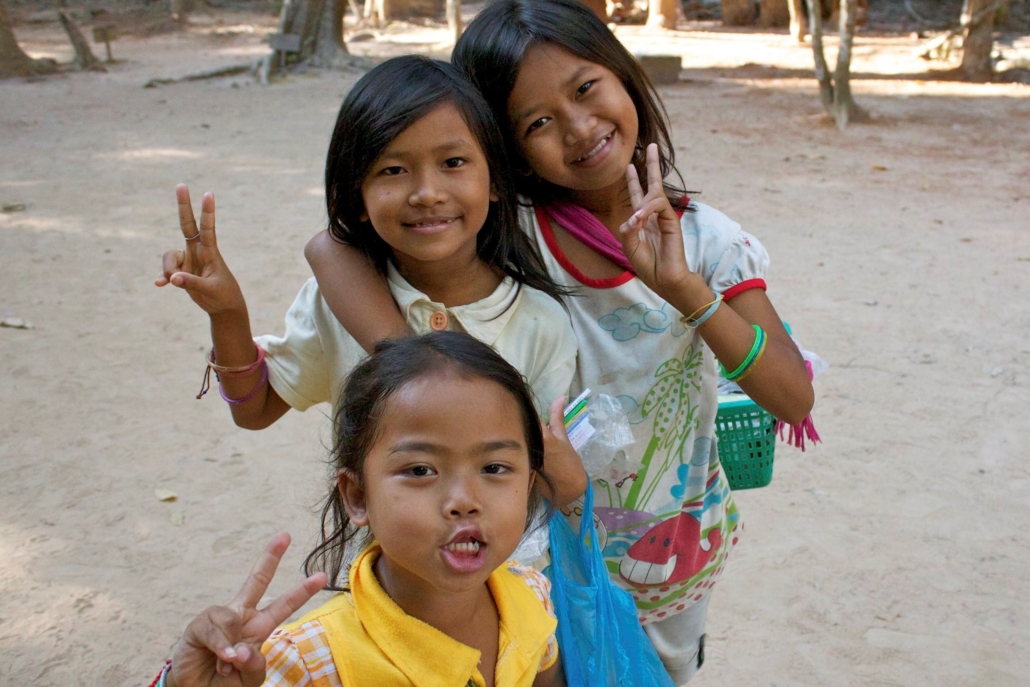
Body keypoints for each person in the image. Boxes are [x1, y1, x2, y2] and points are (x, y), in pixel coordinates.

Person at [303, 1, 816, 682]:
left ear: (623, 74)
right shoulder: (509, 231)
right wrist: (424, 377)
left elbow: (790, 394)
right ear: (501, 146)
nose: (578, 129)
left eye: (585, 88)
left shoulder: (708, 243)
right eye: (536, 122)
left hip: (668, 544)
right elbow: (331, 248)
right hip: (525, 552)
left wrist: (688, 291)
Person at [154, 55, 586, 507]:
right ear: (357, 196)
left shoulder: (540, 324)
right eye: (393, 170)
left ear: (495, 180)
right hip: (371, 577)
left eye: (453, 161)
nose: (427, 192)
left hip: (500, 574)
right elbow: (254, 409)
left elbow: (547, 479)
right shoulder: (336, 303)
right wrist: (228, 314)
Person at [150, 332, 568, 687]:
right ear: (357, 496)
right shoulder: (308, 662)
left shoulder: (531, 594)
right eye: (420, 470)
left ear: (529, 483)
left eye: (494, 468)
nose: (464, 500)